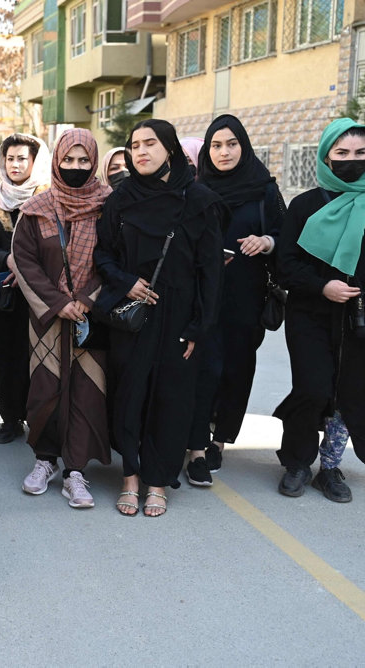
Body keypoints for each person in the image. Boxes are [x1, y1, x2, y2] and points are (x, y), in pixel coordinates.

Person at [94, 120, 226, 516]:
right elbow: (103, 255)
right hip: (133, 317)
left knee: (171, 399)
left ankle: (156, 481)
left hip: (179, 317)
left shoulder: (200, 200)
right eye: (134, 146)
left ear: (169, 148)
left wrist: (198, 328)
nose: (141, 152)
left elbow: (211, 273)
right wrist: (126, 282)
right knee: (130, 395)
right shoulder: (121, 199)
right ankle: (130, 477)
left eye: (150, 144)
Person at [11, 128, 112, 508]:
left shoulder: (108, 206)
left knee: (87, 393)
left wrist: (86, 299)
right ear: (56, 162)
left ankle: (76, 471)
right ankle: (45, 460)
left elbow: (114, 260)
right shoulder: (37, 209)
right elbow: (25, 261)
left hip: (90, 318)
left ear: (94, 162)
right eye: (68, 160)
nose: (75, 167)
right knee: (44, 390)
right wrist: (58, 302)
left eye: (83, 161)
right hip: (48, 321)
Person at [183, 115, 284, 486]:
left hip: (246, 296)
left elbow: (284, 236)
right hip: (203, 295)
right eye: (216, 145)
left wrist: (267, 242)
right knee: (203, 367)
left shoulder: (265, 191)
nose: (224, 152)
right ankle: (194, 439)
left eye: (231, 144)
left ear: (244, 146)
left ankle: (219, 441)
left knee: (237, 369)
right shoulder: (195, 190)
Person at [273, 118, 365, 500]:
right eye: (341, 153)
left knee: (348, 394)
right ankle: (297, 462)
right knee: (312, 387)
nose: (351, 160)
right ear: (326, 156)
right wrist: (322, 285)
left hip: (358, 318)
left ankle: (330, 467)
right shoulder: (306, 204)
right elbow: (285, 264)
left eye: (360, 153)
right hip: (310, 312)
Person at [0, 133, 52, 443]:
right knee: (7, 357)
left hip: (42, 295)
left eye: (22, 158)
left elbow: (55, 246)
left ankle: (41, 419)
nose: (16, 164)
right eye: (10, 158)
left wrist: (29, 270)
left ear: (34, 162)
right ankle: (10, 420)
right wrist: (8, 259)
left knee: (40, 359)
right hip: (6, 293)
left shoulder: (50, 197)